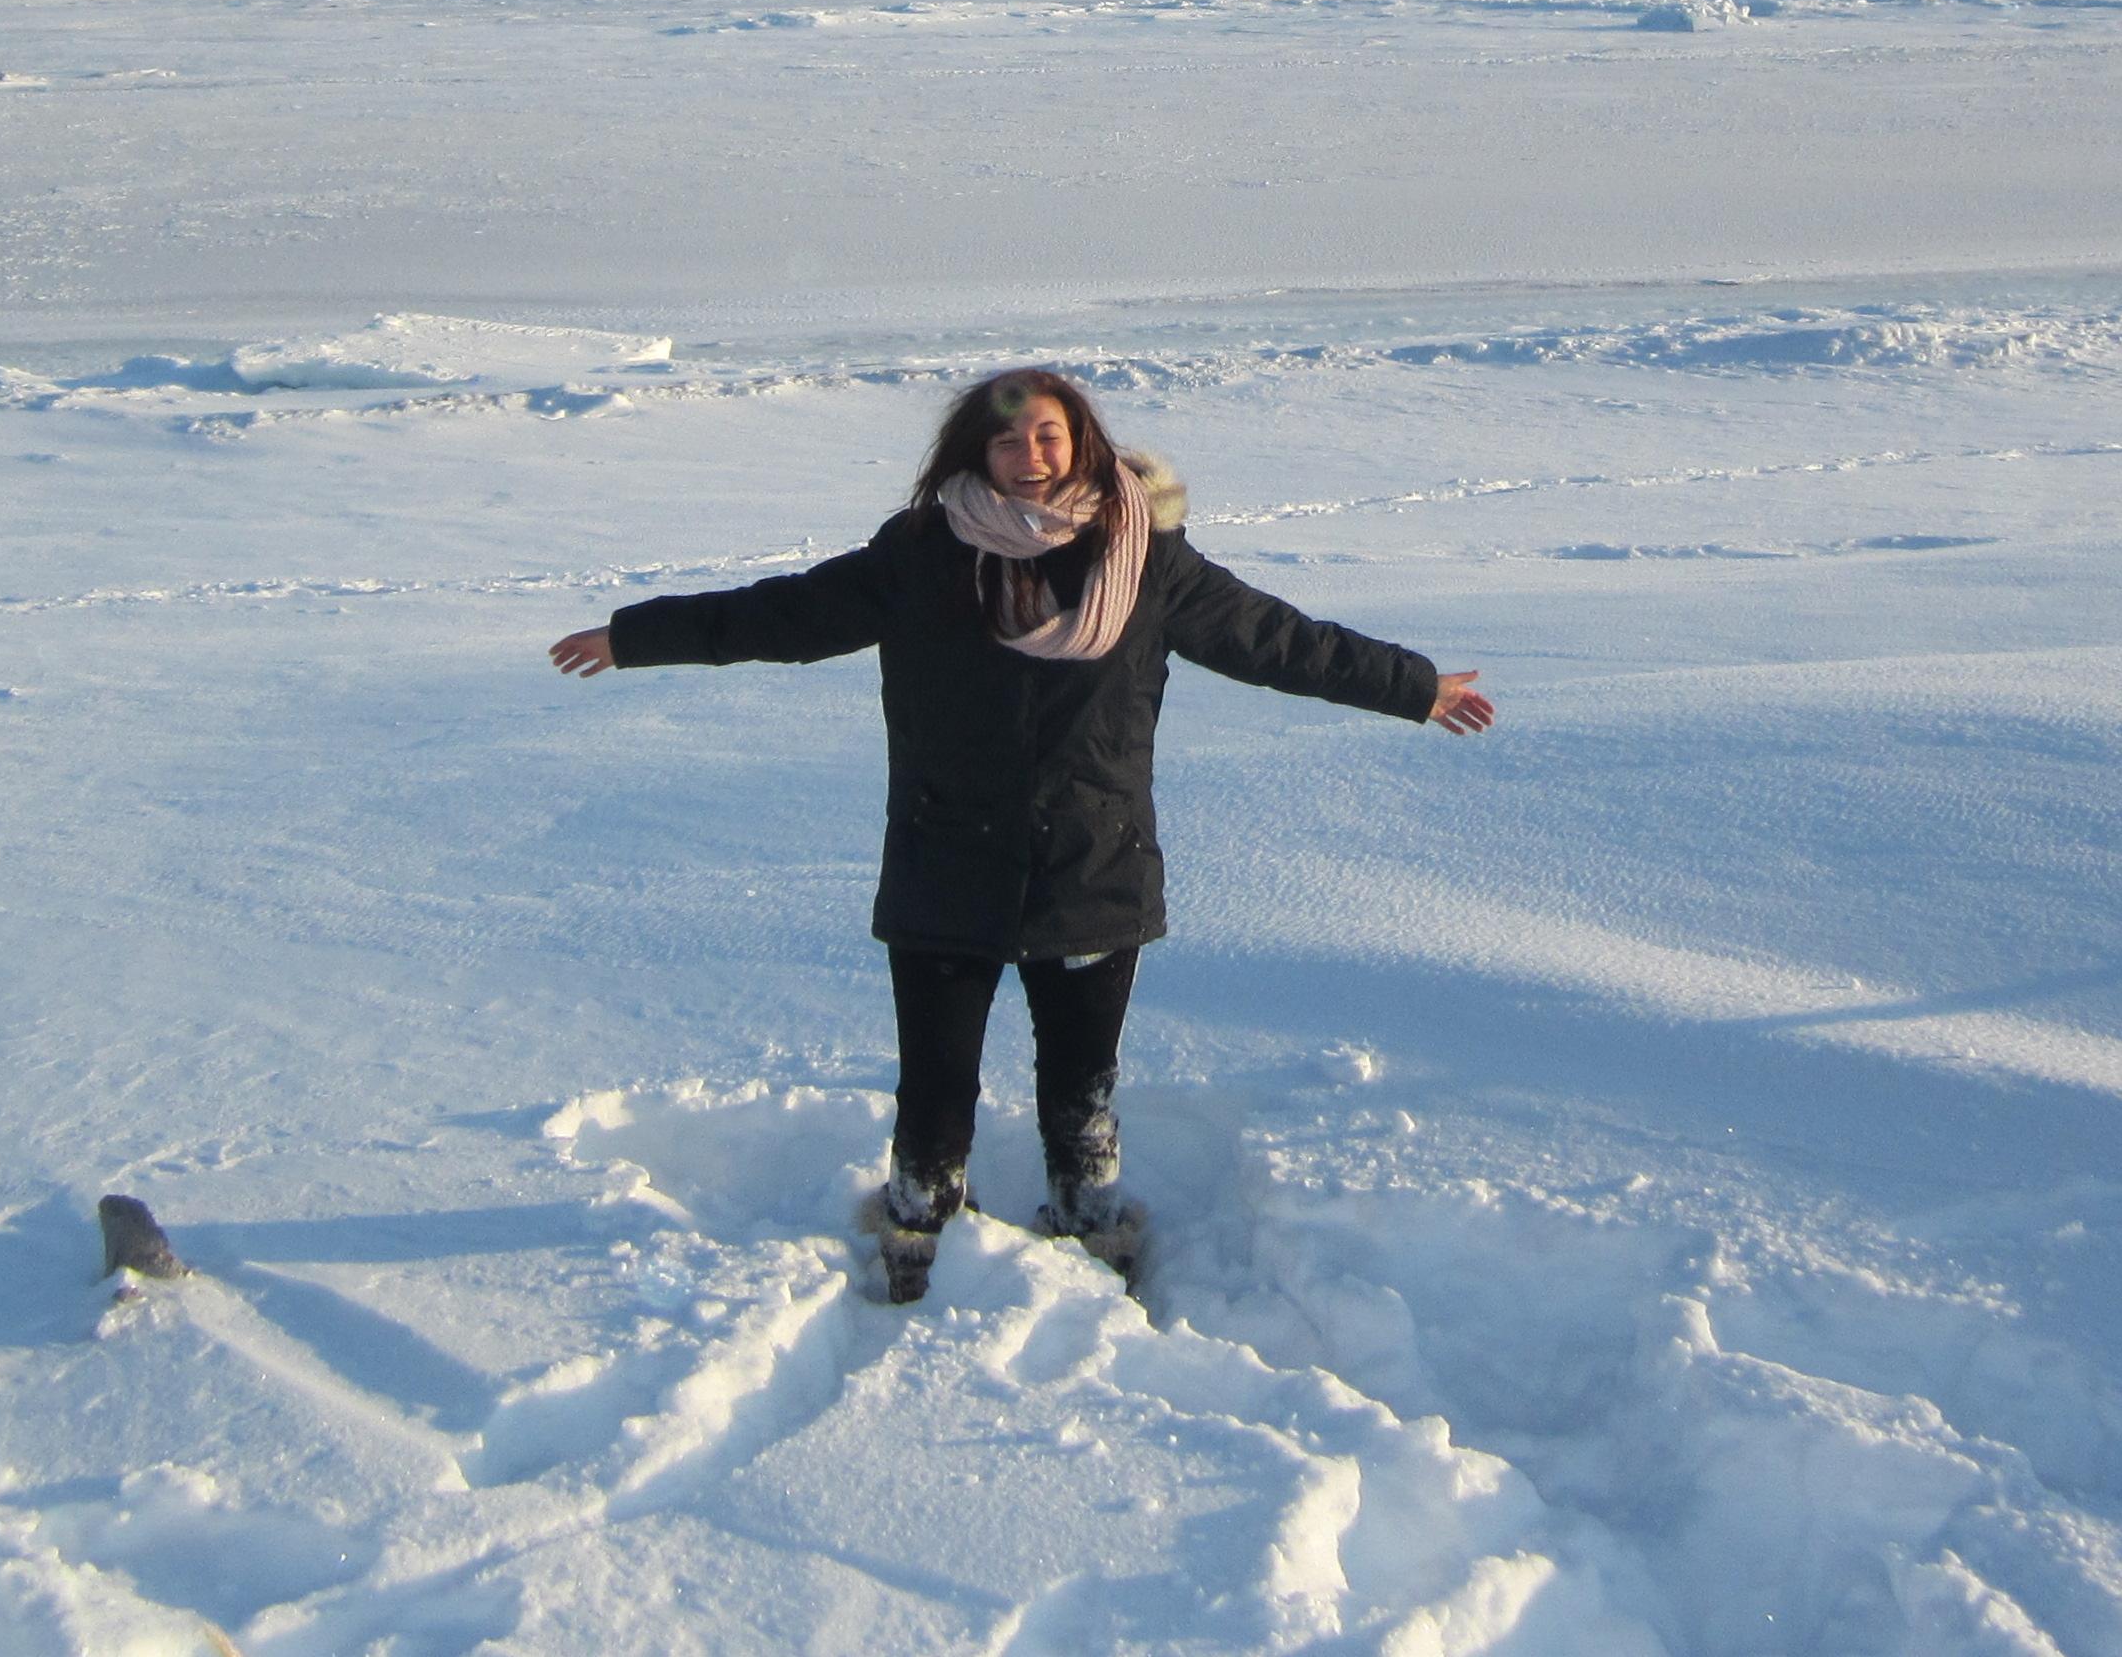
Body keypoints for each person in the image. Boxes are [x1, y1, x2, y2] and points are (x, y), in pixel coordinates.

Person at [550, 367, 1493, 1297]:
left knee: (1082, 1091)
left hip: (1094, 864)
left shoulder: (1146, 557)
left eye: (1047, 435)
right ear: (977, 453)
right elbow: (786, 614)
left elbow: (1277, 640)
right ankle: (915, 1238)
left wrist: (1413, 688)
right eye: (1007, 440)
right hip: (944, 861)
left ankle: (1092, 1234)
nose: (1030, 456)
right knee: (934, 1087)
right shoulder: (924, 554)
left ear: (1080, 439)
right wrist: (636, 636)